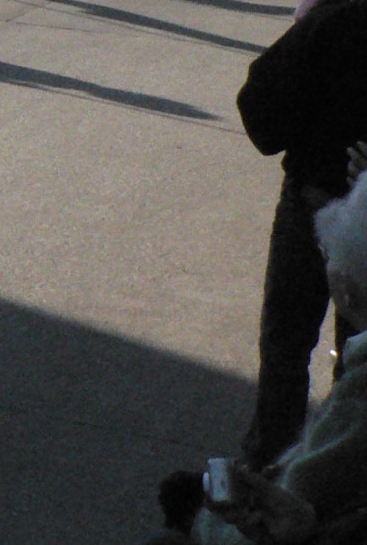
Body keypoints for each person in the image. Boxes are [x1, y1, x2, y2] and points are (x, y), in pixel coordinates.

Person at [155, 178, 367, 544]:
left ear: (349, 289)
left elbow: (308, 487)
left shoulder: (357, 402)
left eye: (329, 253)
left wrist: (203, 522)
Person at [235, 0, 367, 468]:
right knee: (358, 357)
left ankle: (271, 466)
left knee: (287, 344)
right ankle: (341, 467)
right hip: (351, 210)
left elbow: (261, 106)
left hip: (315, 198)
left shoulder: (330, 20)